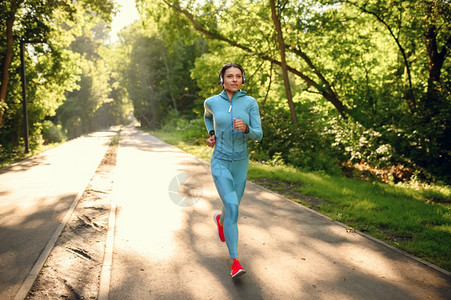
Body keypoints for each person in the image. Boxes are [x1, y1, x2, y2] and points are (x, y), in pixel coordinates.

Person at [204, 62, 263, 278]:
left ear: (243, 79)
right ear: (222, 80)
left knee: (231, 207)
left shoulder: (250, 102)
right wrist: (212, 133)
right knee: (233, 208)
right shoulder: (211, 102)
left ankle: (220, 220)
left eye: (238, 76)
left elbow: (259, 134)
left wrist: (246, 129)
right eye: (230, 76)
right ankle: (235, 261)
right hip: (220, 161)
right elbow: (207, 116)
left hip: (241, 163)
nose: (235, 79)